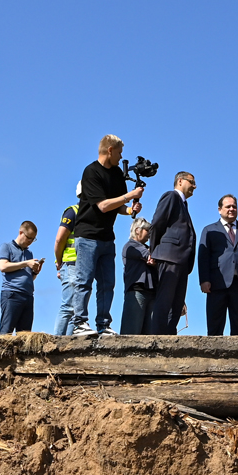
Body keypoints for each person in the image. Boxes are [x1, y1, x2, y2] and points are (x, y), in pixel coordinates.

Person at [70, 135, 144, 336]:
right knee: (84, 281)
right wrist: (130, 196)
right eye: (119, 152)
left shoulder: (118, 173)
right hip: (87, 236)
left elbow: (117, 205)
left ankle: (103, 324)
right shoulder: (91, 172)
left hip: (107, 238)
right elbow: (103, 205)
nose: (121, 157)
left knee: (107, 284)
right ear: (110, 150)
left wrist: (129, 210)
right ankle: (79, 323)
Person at [198, 194, 238, 336]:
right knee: (215, 325)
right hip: (216, 283)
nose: (231, 209)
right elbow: (203, 257)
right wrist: (204, 280)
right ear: (220, 209)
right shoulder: (209, 230)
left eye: (234, 206)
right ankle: (214, 351)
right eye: (228, 206)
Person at [148, 171, 198, 335]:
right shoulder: (171, 196)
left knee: (177, 304)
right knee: (164, 301)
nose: (194, 186)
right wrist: (154, 250)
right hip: (169, 258)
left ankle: (170, 336)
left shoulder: (184, 204)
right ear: (180, 181)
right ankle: (158, 338)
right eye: (192, 182)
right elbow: (157, 223)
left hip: (182, 261)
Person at [0, 221, 43, 334]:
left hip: (28, 296)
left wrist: (35, 273)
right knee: (6, 332)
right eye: (29, 238)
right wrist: (26, 263)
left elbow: (29, 278)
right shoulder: (6, 247)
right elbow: (3, 266)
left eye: (33, 239)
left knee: (25, 335)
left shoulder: (29, 253)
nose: (30, 241)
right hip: (12, 293)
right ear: (21, 233)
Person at [120, 218, 156, 335]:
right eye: (147, 230)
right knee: (131, 332)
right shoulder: (131, 246)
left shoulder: (144, 247)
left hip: (151, 292)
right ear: (137, 230)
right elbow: (151, 257)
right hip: (137, 292)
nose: (149, 234)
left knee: (149, 335)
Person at [51, 190, 80, 336]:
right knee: (68, 306)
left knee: (76, 308)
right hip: (71, 263)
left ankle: (68, 342)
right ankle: (57, 340)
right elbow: (59, 239)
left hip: (80, 265)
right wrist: (60, 262)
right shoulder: (73, 212)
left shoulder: (86, 213)